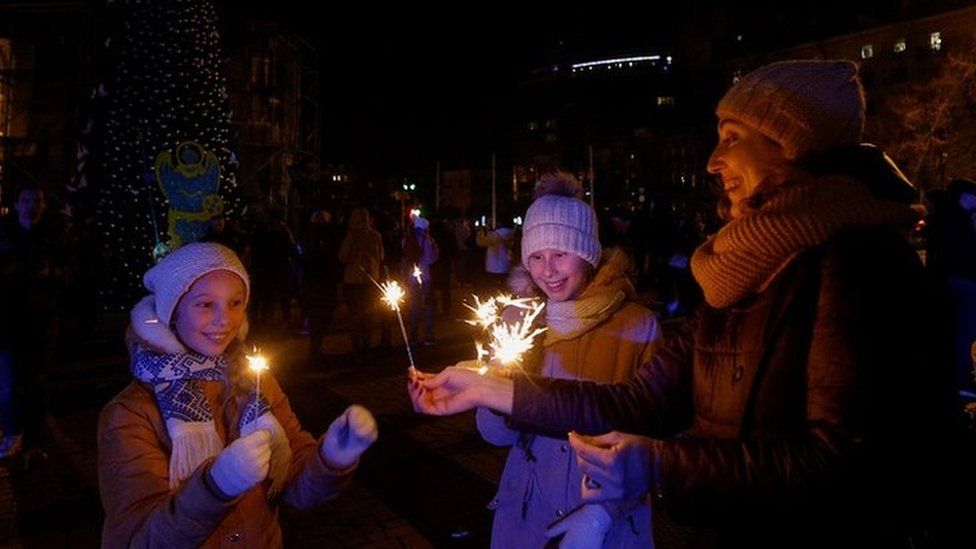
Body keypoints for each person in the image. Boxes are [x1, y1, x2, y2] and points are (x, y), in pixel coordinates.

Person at [410, 60, 966, 547]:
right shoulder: (741, 269)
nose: (712, 160)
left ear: (789, 143)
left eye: (731, 137)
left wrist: (658, 464)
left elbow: (849, 463)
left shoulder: (858, 262)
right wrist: (491, 388)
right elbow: (638, 402)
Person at [98, 242, 379, 546]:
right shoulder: (130, 414)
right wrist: (215, 487)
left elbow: (292, 486)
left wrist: (332, 458)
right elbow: (139, 541)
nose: (225, 320)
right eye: (205, 304)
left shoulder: (253, 384)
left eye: (235, 302)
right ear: (172, 312)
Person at [476, 180, 661, 548]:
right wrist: (497, 394)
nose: (548, 271)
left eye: (561, 253)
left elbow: (656, 439)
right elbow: (494, 435)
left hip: (607, 517)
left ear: (588, 253)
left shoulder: (637, 325)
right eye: (537, 256)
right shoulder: (519, 318)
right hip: (528, 511)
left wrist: (603, 514)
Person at [0, 184, 63, 463]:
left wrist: (53, 274)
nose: (31, 205)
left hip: (41, 321)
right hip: (9, 321)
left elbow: (70, 270)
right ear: (16, 204)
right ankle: (13, 434)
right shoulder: (5, 233)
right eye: (26, 200)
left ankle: (34, 441)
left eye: (37, 200)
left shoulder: (53, 237)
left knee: (36, 382)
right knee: (11, 381)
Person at [339, 207, 384, 354]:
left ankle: (358, 347)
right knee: (368, 314)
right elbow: (381, 256)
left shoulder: (352, 236)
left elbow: (343, 256)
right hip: (369, 279)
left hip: (354, 280)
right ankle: (365, 344)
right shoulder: (375, 235)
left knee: (356, 315)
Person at [403, 216, 438, 345]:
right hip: (425, 276)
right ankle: (428, 335)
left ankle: (413, 335)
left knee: (414, 306)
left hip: (411, 277)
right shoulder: (427, 241)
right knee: (428, 305)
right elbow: (431, 259)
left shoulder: (406, 240)